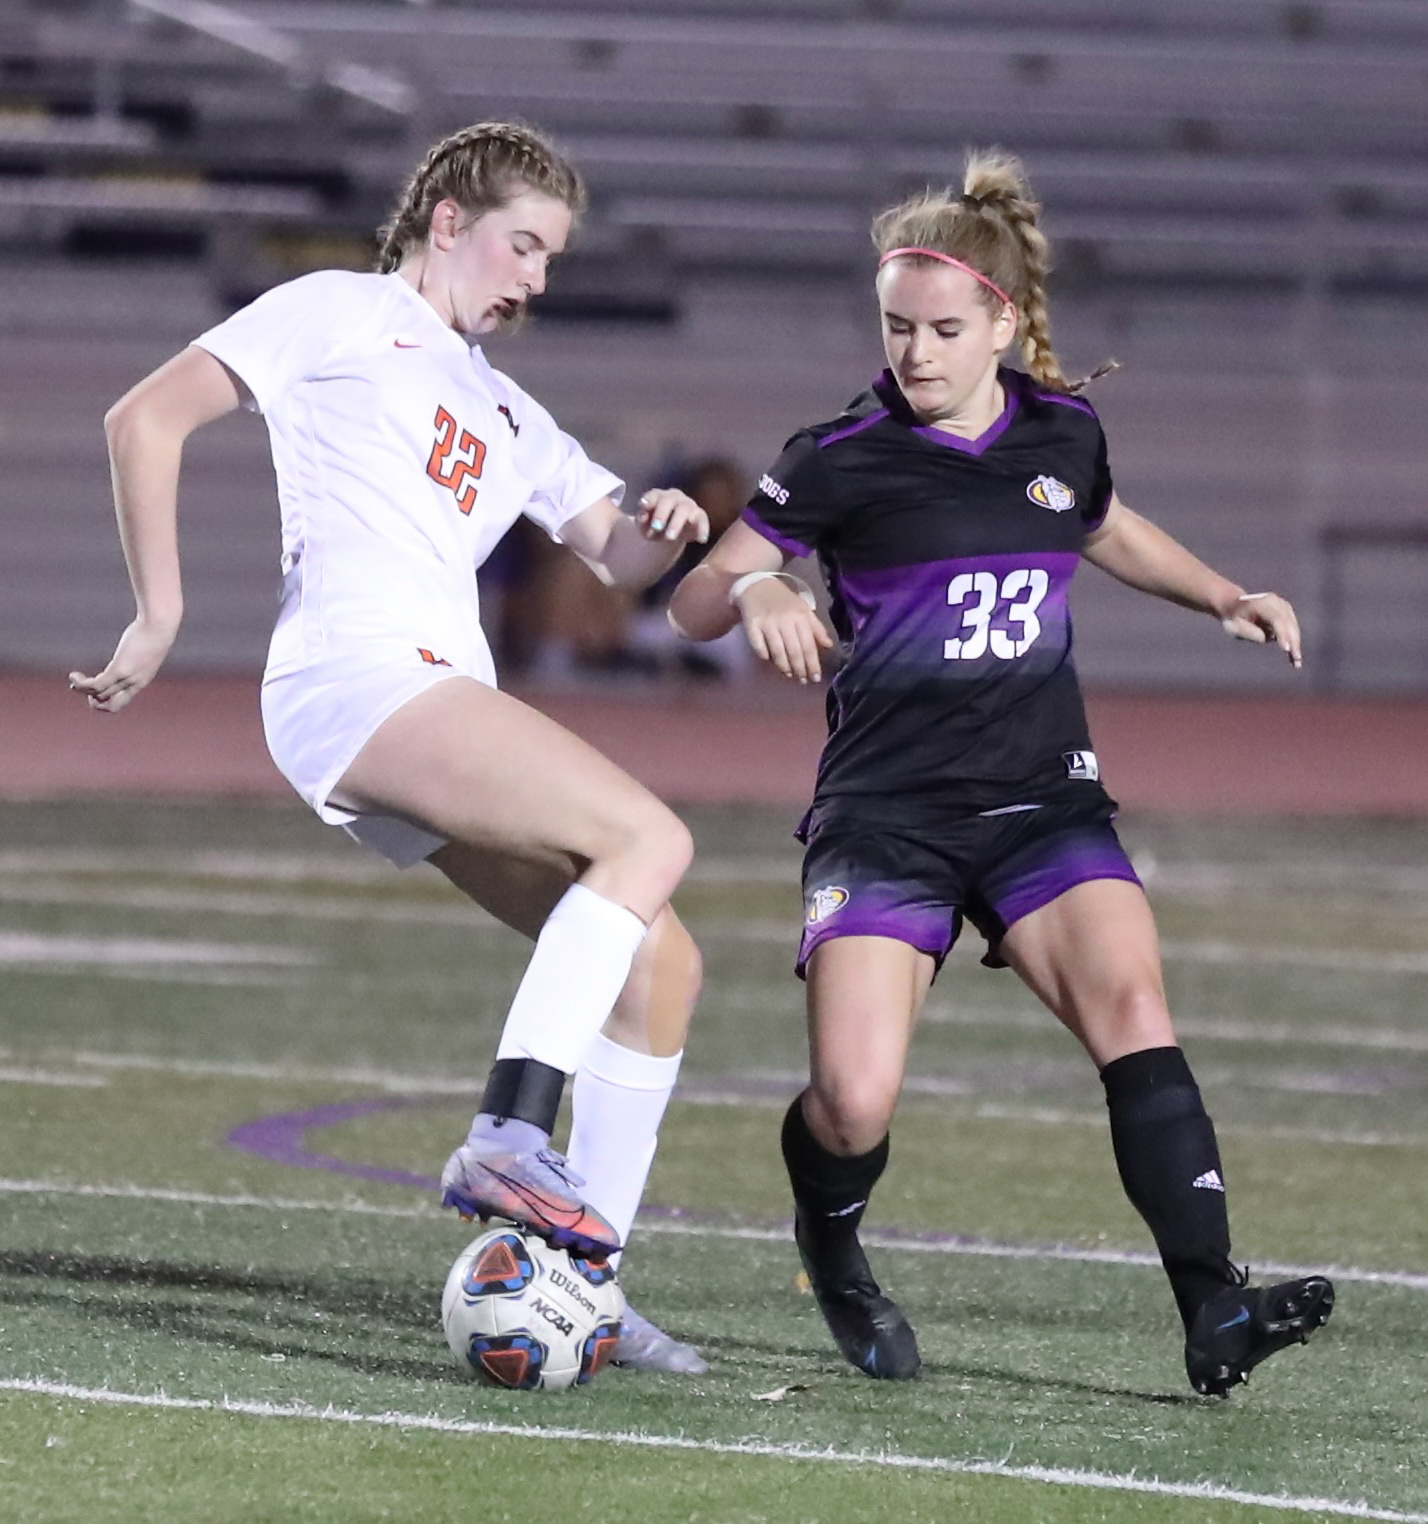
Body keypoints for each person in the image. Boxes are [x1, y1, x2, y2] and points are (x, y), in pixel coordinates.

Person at [668, 150, 1335, 1395]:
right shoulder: (838, 454)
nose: (914, 353)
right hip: (887, 816)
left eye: (941, 330)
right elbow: (695, 599)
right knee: (853, 1102)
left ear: (1003, 325)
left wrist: (1223, 595)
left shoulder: (1063, 432)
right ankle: (834, 1246)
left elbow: (1104, 524)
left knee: (1133, 1008)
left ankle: (1215, 1306)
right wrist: (758, 588)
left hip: (1043, 800)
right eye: (896, 328)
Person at [70, 121, 711, 1374]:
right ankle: (509, 1133)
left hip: (427, 694)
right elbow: (143, 419)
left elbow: (619, 556)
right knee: (650, 837)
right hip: (358, 675)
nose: (535, 278)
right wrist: (160, 613)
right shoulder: (341, 310)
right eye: (523, 244)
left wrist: (672, 527)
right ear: (448, 221)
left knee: (661, 961)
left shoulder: (510, 409)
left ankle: (583, 1282)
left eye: (552, 259)